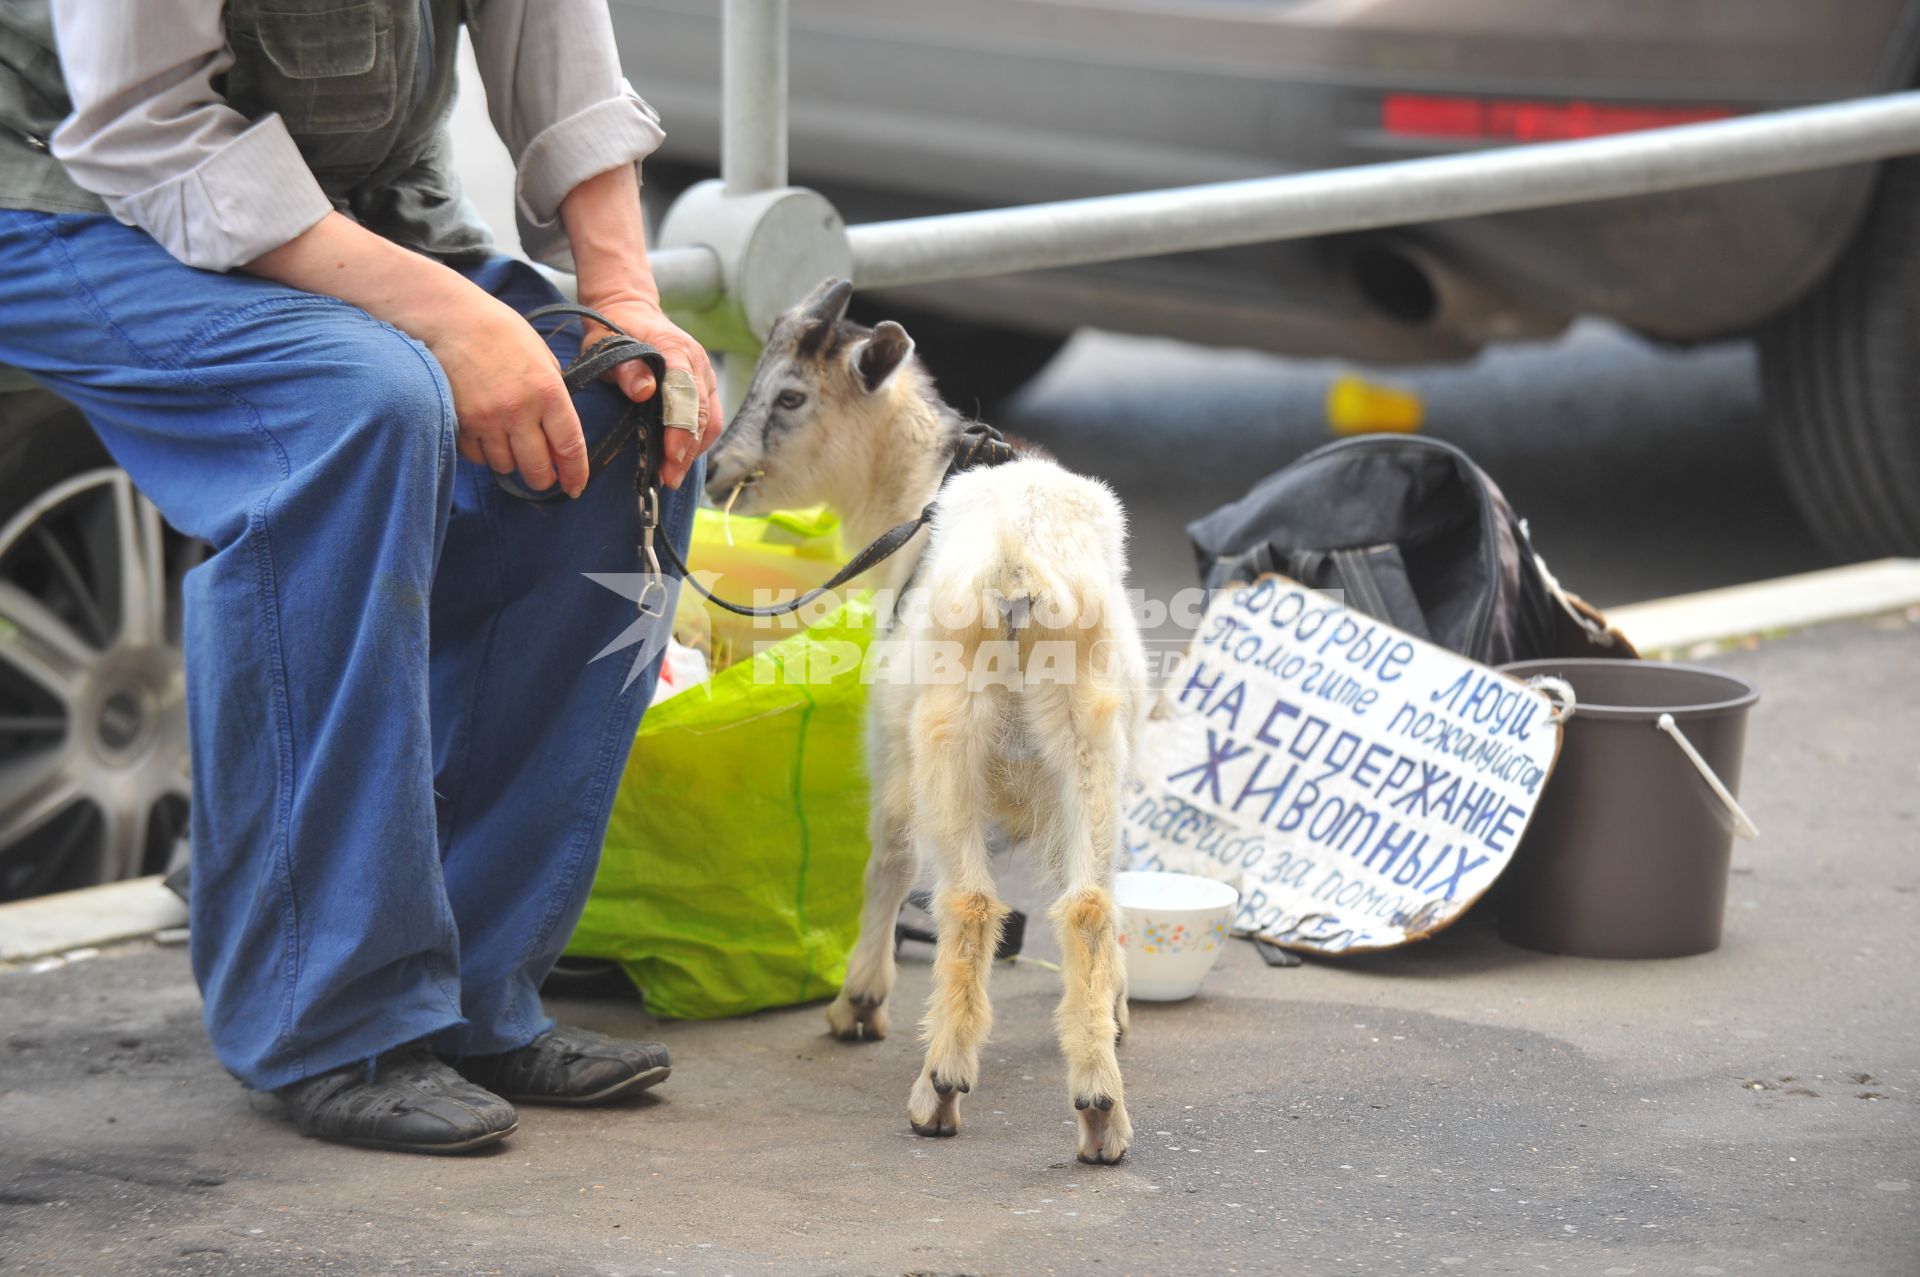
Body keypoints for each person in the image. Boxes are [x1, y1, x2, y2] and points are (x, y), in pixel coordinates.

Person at [0, 0, 722, 1154]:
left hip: (341, 209)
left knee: (614, 400)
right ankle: (329, 1016)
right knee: (360, 407)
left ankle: (474, 990)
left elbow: (558, 46)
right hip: (65, 206)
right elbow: (136, 130)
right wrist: (451, 320)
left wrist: (622, 298)